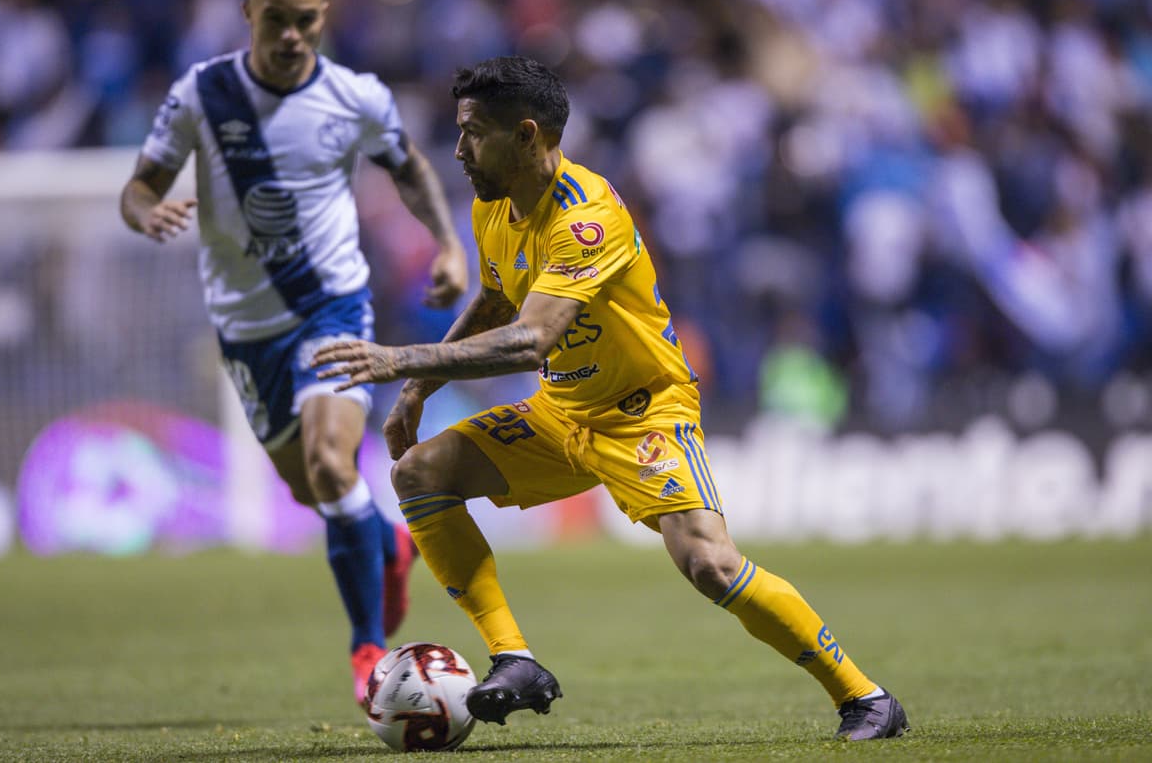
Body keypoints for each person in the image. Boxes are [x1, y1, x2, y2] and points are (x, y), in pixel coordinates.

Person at [314, 56, 909, 740]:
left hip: (643, 410)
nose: (459, 148)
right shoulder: (494, 204)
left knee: (710, 564)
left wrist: (400, 359)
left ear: (528, 135)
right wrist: (420, 388)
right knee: (420, 472)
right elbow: (501, 293)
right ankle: (515, 657)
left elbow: (530, 338)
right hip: (562, 409)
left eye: (474, 132)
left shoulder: (587, 218)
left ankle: (866, 698)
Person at [119, 0, 468, 706]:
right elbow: (141, 185)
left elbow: (407, 165)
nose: (291, 35)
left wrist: (445, 242)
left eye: (306, 19)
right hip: (247, 329)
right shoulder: (203, 94)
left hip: (331, 306)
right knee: (312, 487)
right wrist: (149, 211)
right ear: (250, 15)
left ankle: (366, 646)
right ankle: (390, 544)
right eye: (276, 19)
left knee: (333, 463)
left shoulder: (355, 95)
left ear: (323, 16)